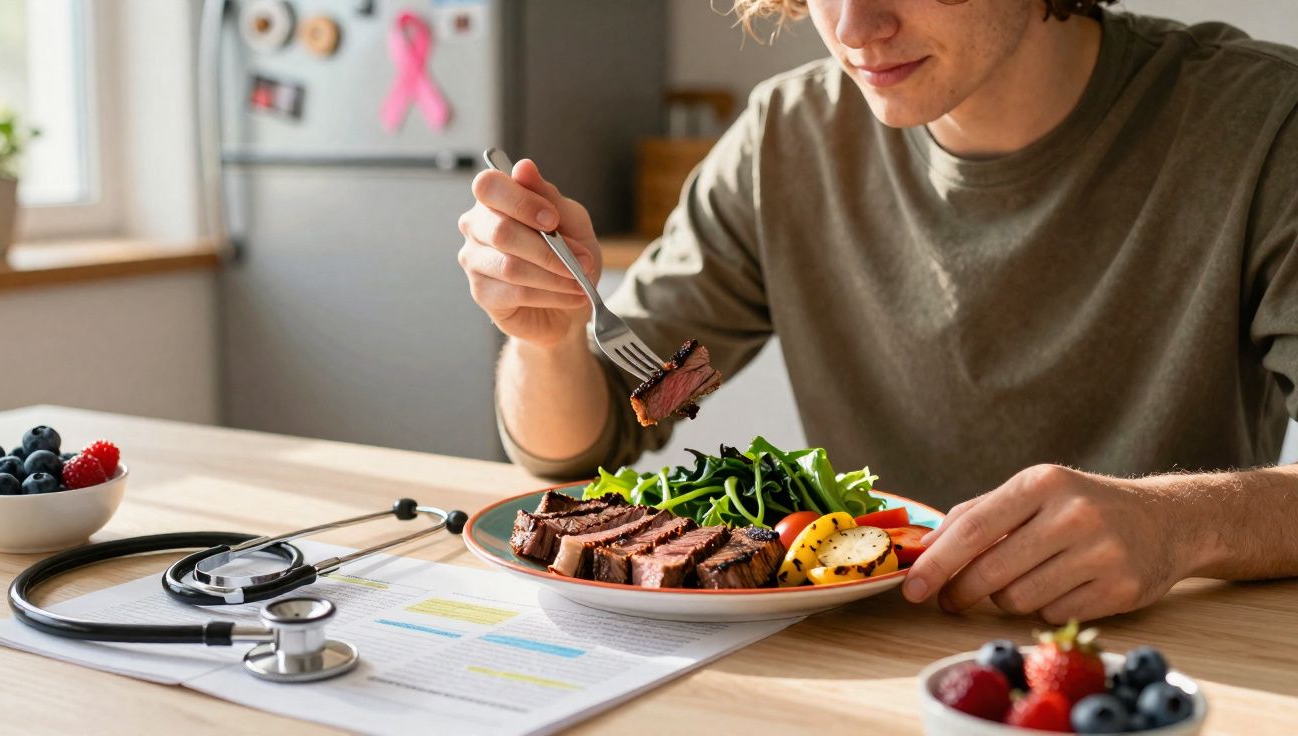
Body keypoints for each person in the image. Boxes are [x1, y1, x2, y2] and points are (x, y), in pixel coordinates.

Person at [455, 0, 1298, 623]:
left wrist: (1179, 525)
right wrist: (553, 339)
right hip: (855, 655)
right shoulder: (789, 137)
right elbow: (592, 435)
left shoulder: (1261, 126)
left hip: (1153, 669)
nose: (853, 26)